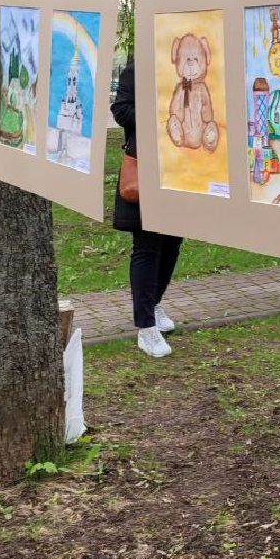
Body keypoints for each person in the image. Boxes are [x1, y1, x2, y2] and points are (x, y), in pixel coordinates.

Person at [111, 56, 183, 358]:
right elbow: (121, 110)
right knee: (148, 245)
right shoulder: (139, 68)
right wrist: (161, 116)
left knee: (172, 244)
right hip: (146, 169)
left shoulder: (184, 68)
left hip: (181, 167)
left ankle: (153, 303)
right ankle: (145, 328)